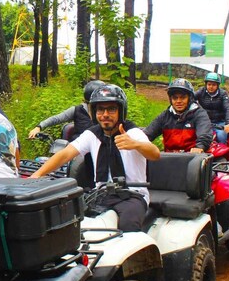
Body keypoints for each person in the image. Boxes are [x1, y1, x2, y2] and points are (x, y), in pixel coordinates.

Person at [31, 84, 159, 232]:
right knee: (70, 223)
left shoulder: (132, 132)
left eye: (111, 109)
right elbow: (65, 154)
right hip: (100, 193)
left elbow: (154, 154)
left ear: (121, 111)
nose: (105, 114)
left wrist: (136, 145)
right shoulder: (92, 134)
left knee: (128, 227)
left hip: (132, 195)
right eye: (100, 109)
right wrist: (37, 175)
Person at [143, 79, 213, 153]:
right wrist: (138, 142)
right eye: (175, 98)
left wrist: (200, 147)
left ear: (190, 98)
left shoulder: (199, 114)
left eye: (183, 97)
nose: (178, 101)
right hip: (169, 158)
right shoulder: (165, 115)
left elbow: (204, 134)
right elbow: (149, 132)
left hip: (193, 158)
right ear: (171, 99)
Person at [28, 79, 105, 141]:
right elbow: (57, 118)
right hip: (78, 150)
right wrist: (39, 127)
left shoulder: (107, 116)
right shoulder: (77, 110)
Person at [194, 72, 229, 144]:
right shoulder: (201, 91)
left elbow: (228, 109)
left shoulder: (223, 94)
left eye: (214, 85)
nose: (211, 87)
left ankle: (223, 153)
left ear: (217, 85)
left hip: (219, 122)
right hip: (204, 121)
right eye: (209, 84)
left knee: (221, 136)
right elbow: (190, 99)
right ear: (206, 84)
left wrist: (228, 124)